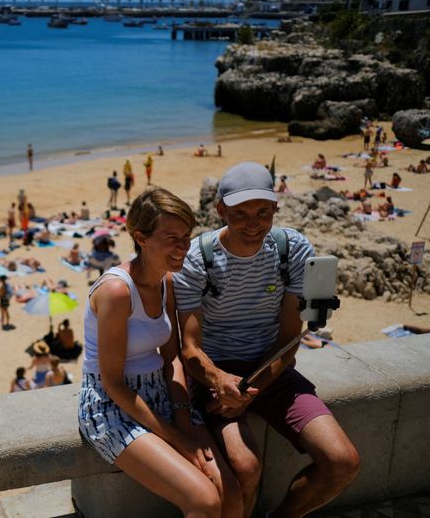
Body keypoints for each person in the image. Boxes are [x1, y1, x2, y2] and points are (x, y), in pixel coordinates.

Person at [174, 162, 360, 517]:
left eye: (262, 211)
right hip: (214, 375)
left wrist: (248, 391)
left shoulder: (292, 249)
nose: (253, 223)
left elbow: (289, 337)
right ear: (220, 211)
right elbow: (191, 349)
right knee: (245, 469)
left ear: (276, 208)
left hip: (270, 369)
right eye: (240, 213)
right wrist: (222, 383)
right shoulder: (198, 259)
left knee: (343, 462)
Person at [79, 186, 241, 517]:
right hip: (114, 406)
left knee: (232, 496)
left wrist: (183, 416)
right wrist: (178, 439)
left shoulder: (166, 280)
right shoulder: (116, 292)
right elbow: (112, 383)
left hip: (162, 393)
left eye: (187, 236)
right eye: (172, 238)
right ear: (141, 236)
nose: (184, 247)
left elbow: (171, 359)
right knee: (204, 500)